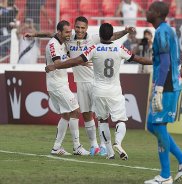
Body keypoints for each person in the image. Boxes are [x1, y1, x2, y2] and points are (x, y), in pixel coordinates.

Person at [25, 16, 136, 156]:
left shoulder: (93, 38)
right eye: (77, 27)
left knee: (101, 114)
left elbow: (112, 35)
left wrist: (125, 31)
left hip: (95, 81)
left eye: (82, 28)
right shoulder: (68, 36)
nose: (79, 30)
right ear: (74, 27)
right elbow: (50, 35)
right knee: (86, 114)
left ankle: (103, 146)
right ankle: (94, 146)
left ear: (87, 28)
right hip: (81, 82)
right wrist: (34, 34)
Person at [45, 23, 152, 160]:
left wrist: (55, 65)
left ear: (100, 36)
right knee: (120, 119)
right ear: (111, 35)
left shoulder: (94, 48)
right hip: (114, 90)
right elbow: (139, 59)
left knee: (102, 121)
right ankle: (117, 143)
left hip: (98, 90)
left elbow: (76, 61)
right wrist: (156, 62)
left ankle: (109, 152)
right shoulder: (120, 48)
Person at [144, 2, 182, 184]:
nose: (146, 12)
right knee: (152, 125)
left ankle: (165, 176)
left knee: (158, 126)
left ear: (156, 13)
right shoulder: (164, 30)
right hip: (165, 83)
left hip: (168, 86)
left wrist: (158, 89)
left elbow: (165, 63)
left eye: (149, 9)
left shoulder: (163, 31)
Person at [45, 20, 89, 156]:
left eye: (70, 31)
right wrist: (77, 63)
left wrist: (34, 34)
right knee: (75, 110)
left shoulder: (63, 41)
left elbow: (64, 60)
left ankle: (56, 147)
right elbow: (58, 63)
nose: (70, 34)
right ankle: (77, 147)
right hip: (56, 84)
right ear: (59, 32)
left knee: (65, 115)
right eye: (67, 32)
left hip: (61, 83)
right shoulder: (53, 45)